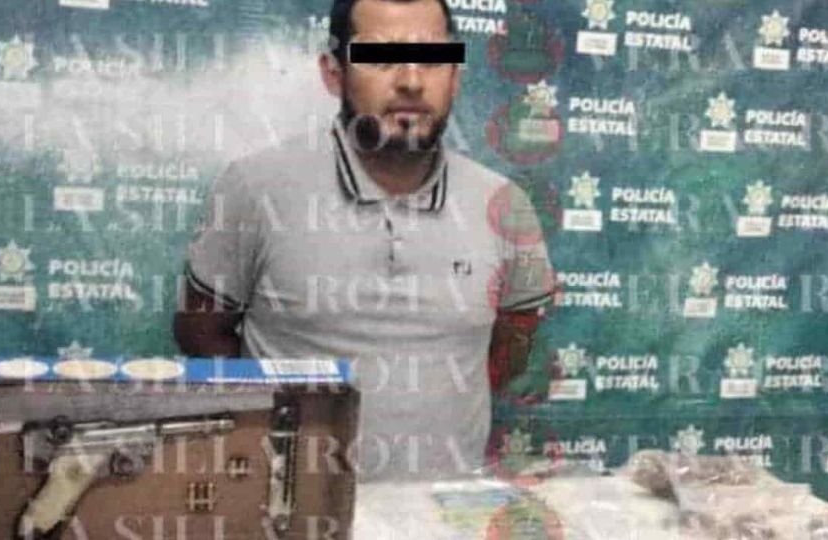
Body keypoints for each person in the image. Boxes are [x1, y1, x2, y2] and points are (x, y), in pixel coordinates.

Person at [173, 0, 555, 481]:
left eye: (432, 58)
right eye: (381, 57)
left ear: (455, 76)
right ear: (334, 73)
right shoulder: (255, 188)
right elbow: (201, 333)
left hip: (448, 510)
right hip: (294, 509)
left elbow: (514, 342)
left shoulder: (504, 205)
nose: (411, 81)